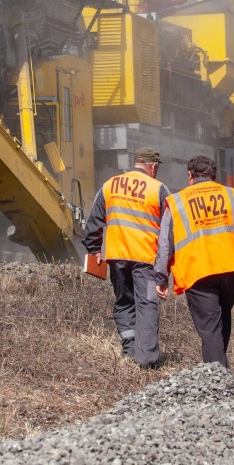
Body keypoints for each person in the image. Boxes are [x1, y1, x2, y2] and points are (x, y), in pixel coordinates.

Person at [153, 155, 234, 368]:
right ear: (214, 176)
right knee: (220, 318)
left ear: (190, 176)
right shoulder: (233, 196)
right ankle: (216, 371)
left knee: (210, 326)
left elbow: (165, 244)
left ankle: (218, 379)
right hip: (232, 270)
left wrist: (161, 277)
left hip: (199, 271)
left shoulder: (178, 201)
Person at [83, 147, 170, 367]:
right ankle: (147, 358)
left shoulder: (109, 185)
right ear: (153, 166)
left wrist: (94, 249)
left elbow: (93, 222)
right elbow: (171, 228)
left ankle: (129, 350)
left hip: (117, 256)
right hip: (146, 258)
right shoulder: (158, 189)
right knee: (147, 304)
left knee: (124, 303)